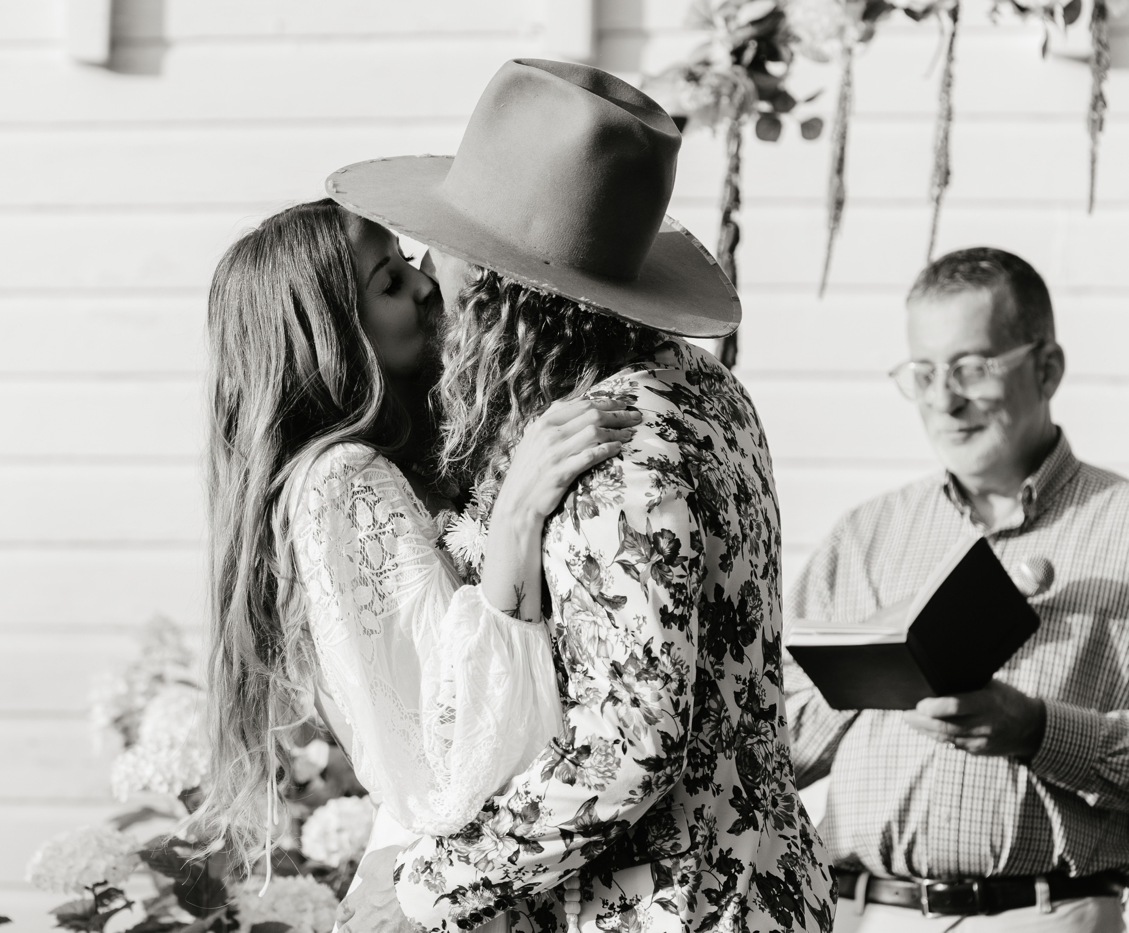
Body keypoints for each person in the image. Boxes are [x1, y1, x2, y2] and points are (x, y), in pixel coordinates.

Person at [329, 58, 835, 933]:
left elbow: (631, 741)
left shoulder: (613, 450)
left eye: (439, 254)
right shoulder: (700, 389)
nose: (425, 274)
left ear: (500, 291)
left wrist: (427, 888)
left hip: (670, 909)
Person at [188, 198, 645, 896]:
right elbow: (452, 750)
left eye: (405, 259)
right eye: (389, 283)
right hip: (440, 888)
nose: (425, 284)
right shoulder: (342, 482)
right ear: (334, 335)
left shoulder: (395, 463)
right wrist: (519, 512)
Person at [784, 247, 1129, 932]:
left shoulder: (1122, 529)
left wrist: (1038, 729)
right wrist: (870, 665)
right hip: (865, 914)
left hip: (1042, 916)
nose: (945, 399)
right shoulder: (865, 536)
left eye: (973, 367)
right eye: (925, 372)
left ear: (1047, 367)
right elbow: (767, 754)